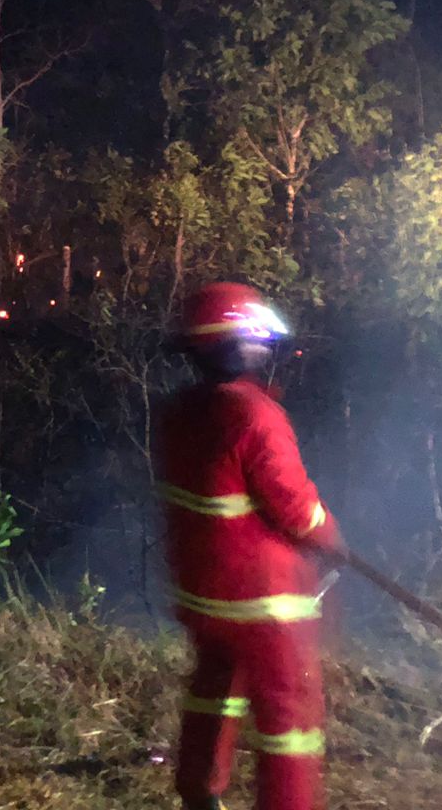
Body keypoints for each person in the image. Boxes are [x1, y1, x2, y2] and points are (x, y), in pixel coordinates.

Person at [156, 282, 342, 810]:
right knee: (290, 715)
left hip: (203, 595)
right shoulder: (254, 414)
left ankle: (200, 791)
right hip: (263, 600)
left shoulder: (176, 414)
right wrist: (333, 540)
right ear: (232, 346)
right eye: (256, 340)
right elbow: (295, 506)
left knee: (214, 689)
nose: (265, 350)